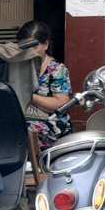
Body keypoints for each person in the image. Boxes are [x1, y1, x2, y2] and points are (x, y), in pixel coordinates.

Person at [19, 20, 73, 148]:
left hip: (50, 122)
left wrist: (28, 95)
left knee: (25, 132)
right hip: (24, 118)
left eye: (34, 47)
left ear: (46, 45)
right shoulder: (16, 67)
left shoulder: (56, 69)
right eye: (25, 47)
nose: (29, 52)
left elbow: (60, 104)